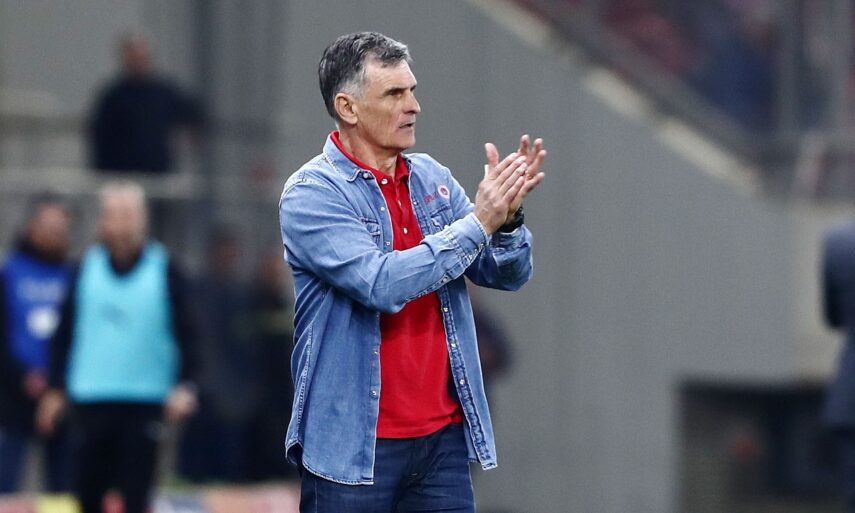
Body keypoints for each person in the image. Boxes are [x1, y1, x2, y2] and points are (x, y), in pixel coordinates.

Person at [278, 32, 546, 513]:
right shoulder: (312, 193)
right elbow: (381, 283)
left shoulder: (432, 178)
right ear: (347, 107)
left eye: (412, 90)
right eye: (394, 94)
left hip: (441, 442)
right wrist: (479, 223)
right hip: (353, 447)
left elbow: (505, 274)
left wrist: (507, 221)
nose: (414, 106)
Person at [36, 182, 198, 513]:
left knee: (135, 496)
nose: (121, 224)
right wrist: (55, 389)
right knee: (87, 494)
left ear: (142, 220)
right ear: (102, 221)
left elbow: (190, 334)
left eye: (128, 215)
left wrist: (185, 385)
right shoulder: (84, 269)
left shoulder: (165, 269)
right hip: (91, 399)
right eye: (114, 214)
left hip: (144, 400)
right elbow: (64, 334)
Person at [0, 198, 73, 493]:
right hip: (13, 396)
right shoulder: (9, 272)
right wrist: (22, 377)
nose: (54, 234)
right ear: (31, 227)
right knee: (6, 485)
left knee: (65, 489)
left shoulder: (74, 276)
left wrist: (57, 384)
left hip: (62, 397)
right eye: (48, 227)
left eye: (60, 229)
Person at [88, 33, 204, 173]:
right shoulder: (113, 97)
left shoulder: (164, 92)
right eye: (133, 57)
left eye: (142, 57)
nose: (138, 62)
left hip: (158, 173)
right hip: (121, 175)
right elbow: (99, 136)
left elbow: (193, 113)